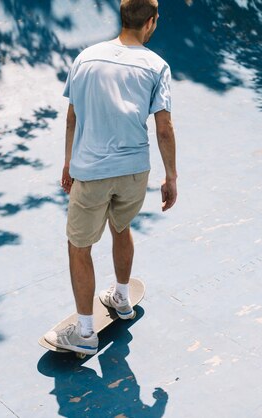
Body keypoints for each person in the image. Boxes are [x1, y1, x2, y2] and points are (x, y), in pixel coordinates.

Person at [44, 0, 177, 355]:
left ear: (122, 17)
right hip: (135, 170)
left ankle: (86, 333)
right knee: (121, 227)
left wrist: (67, 162)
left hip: (91, 170)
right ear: (151, 22)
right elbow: (163, 129)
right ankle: (121, 297)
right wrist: (171, 176)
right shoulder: (157, 65)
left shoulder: (85, 58)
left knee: (79, 246)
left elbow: (72, 117)